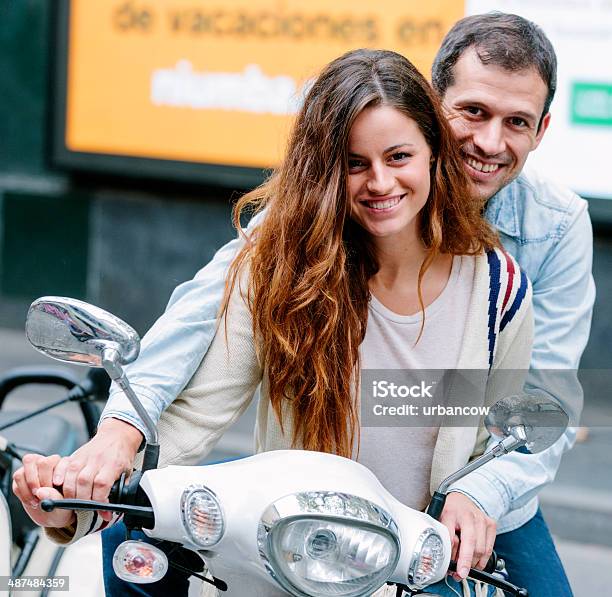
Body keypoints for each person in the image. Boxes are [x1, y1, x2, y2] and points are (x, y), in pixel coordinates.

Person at [16, 10, 594, 596]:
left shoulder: (516, 269)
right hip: (312, 525)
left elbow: (531, 402)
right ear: (435, 110)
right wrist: (114, 445)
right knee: (134, 537)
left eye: (515, 121)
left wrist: (475, 489)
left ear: (540, 130)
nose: (489, 141)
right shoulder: (297, 245)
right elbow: (198, 327)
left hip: (469, 505)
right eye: (473, 112)